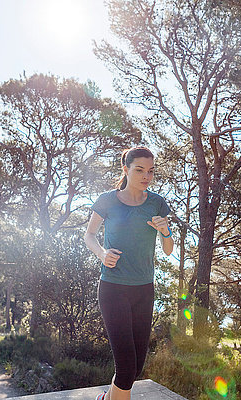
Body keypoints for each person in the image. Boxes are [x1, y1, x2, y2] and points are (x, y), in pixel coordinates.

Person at [84, 147, 174, 400]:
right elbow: (89, 235)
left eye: (151, 171)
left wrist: (165, 231)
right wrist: (101, 253)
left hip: (144, 290)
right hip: (113, 288)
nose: (147, 176)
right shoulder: (107, 200)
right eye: (140, 170)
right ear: (125, 169)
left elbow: (168, 250)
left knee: (135, 367)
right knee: (125, 369)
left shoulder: (157, 203)